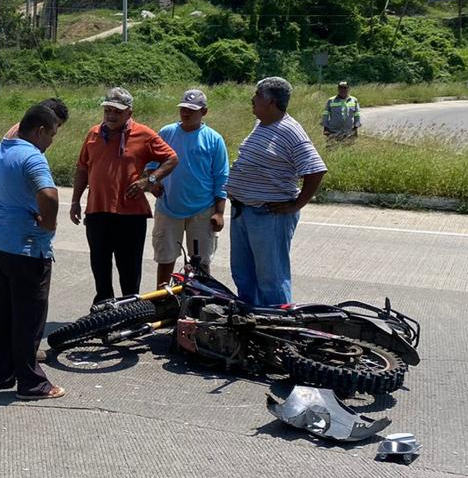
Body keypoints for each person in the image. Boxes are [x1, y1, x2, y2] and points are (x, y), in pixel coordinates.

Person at [0, 102, 65, 401]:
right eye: (52, 135)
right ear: (40, 129)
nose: (51, 142)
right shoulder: (31, 157)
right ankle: (32, 384)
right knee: (28, 317)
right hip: (26, 248)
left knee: (2, 311)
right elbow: (48, 194)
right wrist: (48, 224)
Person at [70, 86, 178, 307]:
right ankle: (104, 308)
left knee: (129, 268)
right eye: (108, 110)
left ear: (129, 112)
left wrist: (150, 180)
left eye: (117, 111)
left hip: (130, 214)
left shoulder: (144, 134)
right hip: (97, 211)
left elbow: (171, 158)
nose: (111, 115)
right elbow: (82, 169)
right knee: (100, 265)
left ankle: (130, 311)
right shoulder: (93, 134)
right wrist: (75, 201)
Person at [225, 76, 327, 307]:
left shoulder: (291, 131)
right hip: (244, 212)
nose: (252, 100)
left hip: (268, 215)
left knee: (271, 278)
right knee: (244, 274)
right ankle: (251, 323)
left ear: (271, 102)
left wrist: (296, 204)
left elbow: (315, 170)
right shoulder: (261, 125)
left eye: (257, 96)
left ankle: (278, 331)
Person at [149, 89, 229, 286]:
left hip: (202, 210)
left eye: (191, 110)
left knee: (200, 263)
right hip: (169, 208)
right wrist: (153, 183)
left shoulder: (214, 139)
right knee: (165, 258)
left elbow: (221, 177)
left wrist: (219, 212)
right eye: (183, 108)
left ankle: (200, 300)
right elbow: (151, 162)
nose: (186, 113)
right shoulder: (167, 132)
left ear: (204, 112)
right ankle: (163, 300)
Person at [4, 97, 69, 139]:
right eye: (56, 124)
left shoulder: (25, 128)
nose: (55, 130)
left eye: (59, 126)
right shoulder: (30, 137)